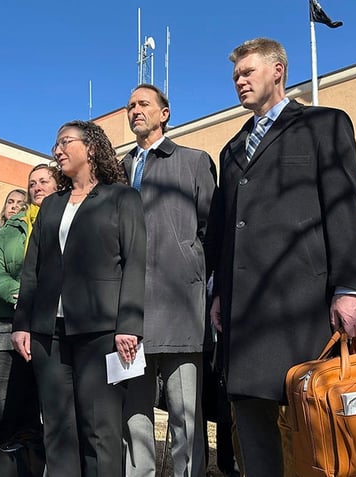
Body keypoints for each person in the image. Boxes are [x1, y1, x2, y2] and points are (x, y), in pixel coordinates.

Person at [207, 38, 356, 477]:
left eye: (248, 72)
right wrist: (220, 291)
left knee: (314, 427)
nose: (239, 82)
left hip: (304, 306)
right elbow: (226, 228)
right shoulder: (232, 148)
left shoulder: (324, 124)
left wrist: (350, 288)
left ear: (278, 71)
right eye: (235, 76)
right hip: (246, 311)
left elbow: (344, 207)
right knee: (254, 431)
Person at [11, 120, 146, 476]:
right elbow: (32, 268)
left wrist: (129, 324)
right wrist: (22, 323)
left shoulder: (122, 197)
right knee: (57, 428)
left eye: (65, 142)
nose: (57, 150)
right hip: (47, 332)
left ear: (91, 148)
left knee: (100, 429)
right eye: (55, 144)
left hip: (102, 329)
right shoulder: (52, 205)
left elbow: (135, 262)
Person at [121, 83, 217, 477]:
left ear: (165, 113)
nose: (134, 111)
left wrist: (194, 273)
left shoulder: (194, 161)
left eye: (143, 104)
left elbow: (212, 229)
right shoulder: (119, 171)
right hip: (128, 313)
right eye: (130, 106)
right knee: (134, 416)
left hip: (180, 307)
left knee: (186, 416)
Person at [0, 163, 58, 476]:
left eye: (43, 181)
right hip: (6, 325)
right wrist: (20, 293)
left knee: (44, 407)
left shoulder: (67, 221)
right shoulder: (10, 229)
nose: (36, 187)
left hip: (51, 327)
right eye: (32, 182)